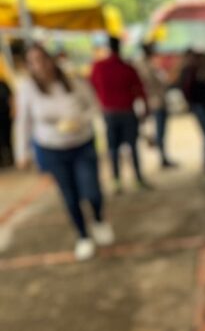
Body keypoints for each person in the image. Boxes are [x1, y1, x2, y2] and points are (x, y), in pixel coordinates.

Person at [14, 44, 113, 260]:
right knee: (69, 195)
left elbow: (95, 106)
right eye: (33, 62)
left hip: (82, 143)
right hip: (53, 149)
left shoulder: (75, 82)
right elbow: (23, 122)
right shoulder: (28, 88)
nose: (39, 66)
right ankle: (83, 236)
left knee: (92, 190)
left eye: (42, 59)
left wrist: (79, 121)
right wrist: (22, 153)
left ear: (51, 60)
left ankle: (98, 219)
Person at [89, 35, 150, 192]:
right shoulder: (127, 67)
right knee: (132, 146)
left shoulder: (99, 67)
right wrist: (146, 109)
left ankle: (117, 181)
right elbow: (140, 91)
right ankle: (138, 178)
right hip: (127, 112)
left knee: (113, 148)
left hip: (109, 113)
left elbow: (91, 87)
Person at [135, 43, 176, 168]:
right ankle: (162, 157)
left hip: (153, 101)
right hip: (155, 101)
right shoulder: (147, 67)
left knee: (159, 131)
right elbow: (153, 84)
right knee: (159, 131)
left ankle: (163, 156)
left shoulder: (145, 65)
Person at [0, 56, 13, 168]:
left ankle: (10, 158)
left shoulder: (3, 83)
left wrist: (13, 110)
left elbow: (11, 98)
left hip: (5, 116)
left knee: (7, 138)